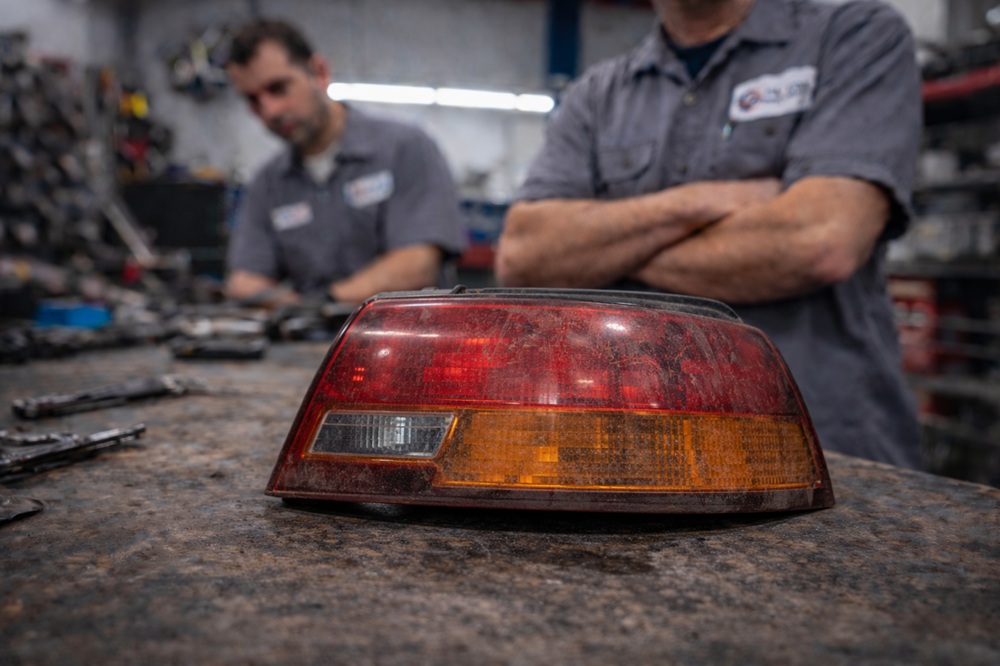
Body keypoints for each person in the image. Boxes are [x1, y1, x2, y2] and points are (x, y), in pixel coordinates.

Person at [495, 0, 924, 469]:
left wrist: (605, 252)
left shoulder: (850, 36)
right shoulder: (598, 94)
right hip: (635, 446)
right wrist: (700, 203)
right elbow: (523, 255)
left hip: (816, 448)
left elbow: (821, 240)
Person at [224, 19, 466, 306]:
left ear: (319, 72)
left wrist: (320, 305)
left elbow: (416, 265)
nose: (269, 111)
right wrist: (301, 311)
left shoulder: (404, 148)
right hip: (309, 332)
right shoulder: (268, 184)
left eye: (278, 88)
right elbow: (244, 281)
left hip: (407, 331)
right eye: (253, 100)